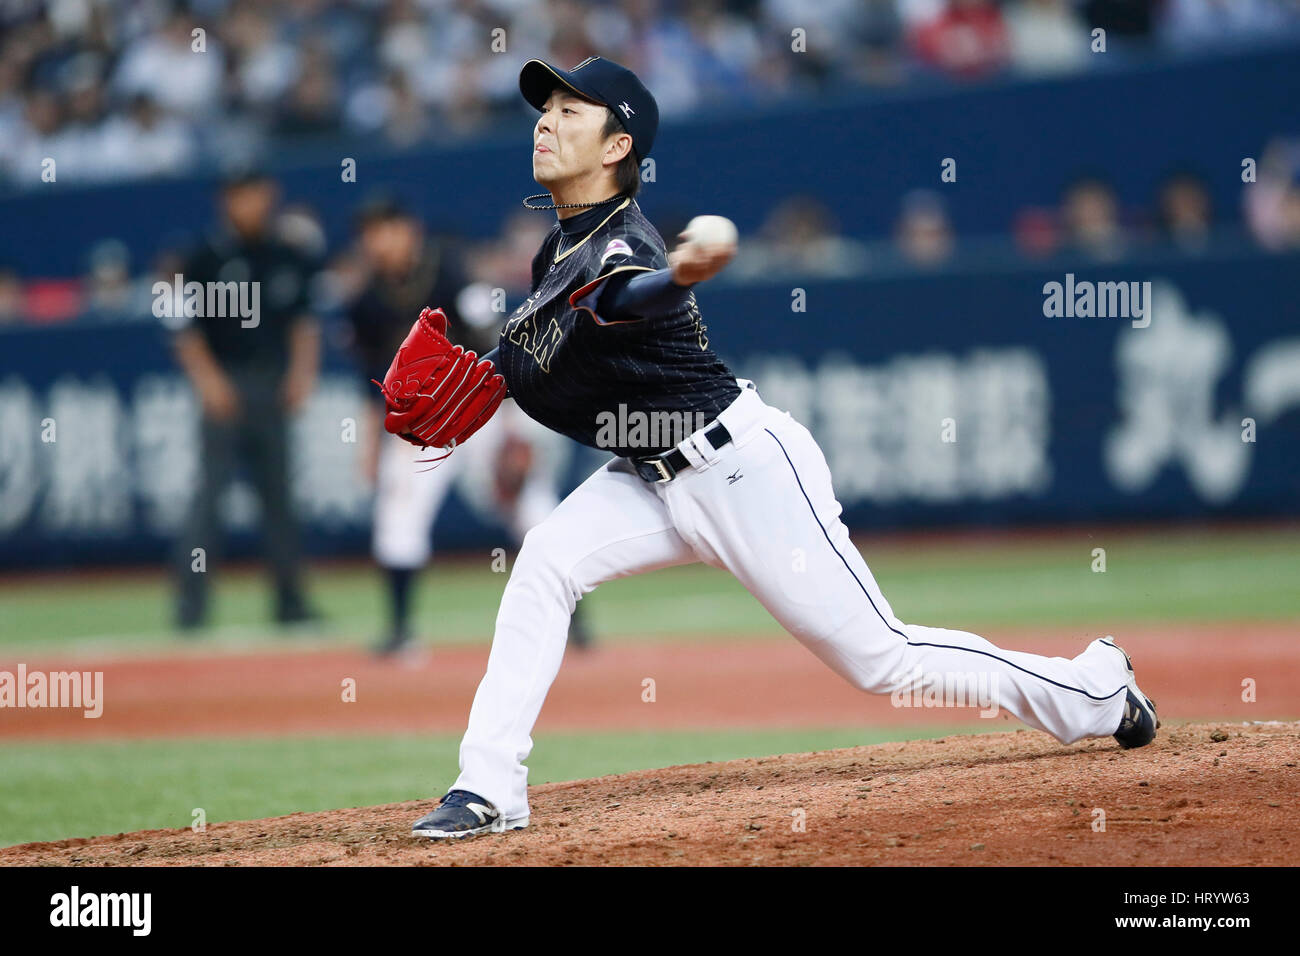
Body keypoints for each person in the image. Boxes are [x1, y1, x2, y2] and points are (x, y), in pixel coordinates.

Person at [405, 56, 1159, 840]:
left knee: (883, 661)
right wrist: (492, 371)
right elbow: (554, 348)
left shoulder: (623, 247)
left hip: (741, 470)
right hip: (648, 476)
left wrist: (683, 275)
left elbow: (630, 294)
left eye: (571, 110)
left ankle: (1095, 688)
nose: (547, 121)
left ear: (617, 146)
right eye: (545, 108)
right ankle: (489, 787)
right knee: (545, 561)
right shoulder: (560, 251)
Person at [345, 197, 588, 655]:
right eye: (370, 232)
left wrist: (517, 429)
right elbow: (368, 383)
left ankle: (577, 624)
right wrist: (369, 446)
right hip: (422, 427)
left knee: (532, 509)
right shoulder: (364, 303)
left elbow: (504, 344)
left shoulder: (449, 273)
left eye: (387, 229)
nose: (379, 242)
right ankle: (401, 633)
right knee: (398, 517)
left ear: (409, 229)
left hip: (483, 410)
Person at [168, 168, 320, 631]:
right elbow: (183, 329)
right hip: (226, 386)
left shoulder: (287, 253)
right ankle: (191, 610)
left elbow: (303, 322)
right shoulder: (203, 258)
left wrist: (301, 374)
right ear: (224, 201)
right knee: (209, 501)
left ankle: (290, 603)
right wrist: (209, 382)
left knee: (279, 500)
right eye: (239, 195)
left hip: (272, 384)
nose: (249, 203)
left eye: (256, 192)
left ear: (269, 194)